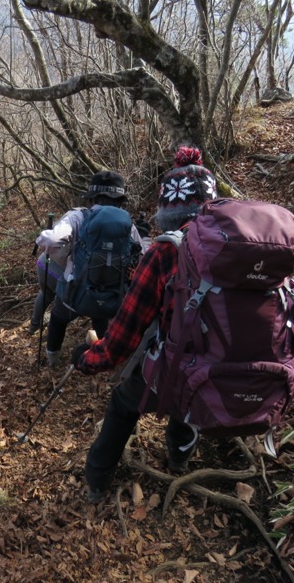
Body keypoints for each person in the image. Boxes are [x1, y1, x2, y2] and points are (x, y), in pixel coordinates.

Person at [69, 146, 219, 503]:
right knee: (189, 399)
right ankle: (179, 458)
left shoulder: (166, 252)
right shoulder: (245, 248)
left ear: (168, 208)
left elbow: (120, 342)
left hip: (178, 368)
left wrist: (86, 359)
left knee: (124, 403)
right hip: (231, 369)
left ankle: (96, 481)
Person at [36, 171, 150, 368]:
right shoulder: (127, 224)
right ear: (120, 199)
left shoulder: (79, 216)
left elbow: (52, 241)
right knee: (101, 320)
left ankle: (52, 360)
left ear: (92, 197)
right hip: (110, 295)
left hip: (74, 292)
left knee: (58, 319)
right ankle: (103, 360)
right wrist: (145, 235)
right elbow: (143, 258)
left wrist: (49, 243)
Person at [28, 250, 65, 336]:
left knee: (45, 294)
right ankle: (53, 335)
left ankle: (34, 325)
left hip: (44, 262)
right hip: (57, 273)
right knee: (63, 302)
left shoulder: (61, 236)